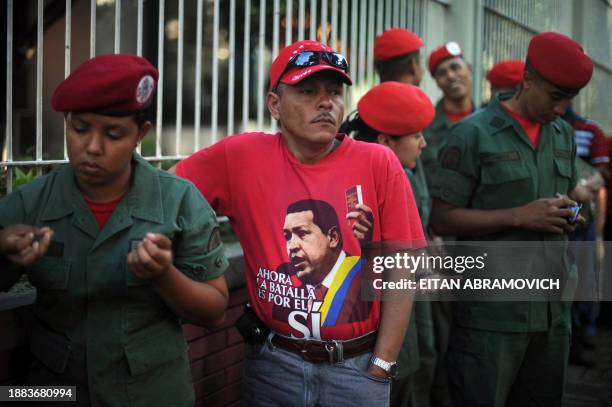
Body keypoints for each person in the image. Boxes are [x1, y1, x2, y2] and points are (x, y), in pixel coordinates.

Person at [170, 39, 426, 406]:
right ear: (274, 104)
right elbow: (163, 193)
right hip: (272, 366)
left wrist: (382, 365)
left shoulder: (378, 162)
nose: (326, 102)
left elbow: (403, 268)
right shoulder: (240, 157)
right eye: (308, 91)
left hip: (356, 369)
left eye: (335, 92)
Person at [0, 54, 229, 406]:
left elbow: (214, 311)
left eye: (113, 133)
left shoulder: (179, 202)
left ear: (141, 134)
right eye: (79, 128)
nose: (92, 147)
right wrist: (3, 254)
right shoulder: (30, 205)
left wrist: (163, 275)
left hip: (154, 394)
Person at [430, 31, 593, 407]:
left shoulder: (562, 135)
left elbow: (571, 201)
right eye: (555, 96)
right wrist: (520, 217)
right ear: (528, 80)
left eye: (569, 98)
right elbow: (442, 217)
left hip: (552, 313)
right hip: (492, 317)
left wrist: (573, 214)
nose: (562, 107)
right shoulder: (472, 134)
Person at [341, 81, 436, 407]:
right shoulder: (385, 177)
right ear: (384, 141)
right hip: (385, 313)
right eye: (415, 135)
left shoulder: (397, 171)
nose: (423, 144)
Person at [273, 199, 372, 334]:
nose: (292, 246)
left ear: (332, 237)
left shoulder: (365, 277)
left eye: (302, 233)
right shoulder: (284, 283)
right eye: (287, 237)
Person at [421, 41, 474, 190]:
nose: (450, 76)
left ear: (469, 69)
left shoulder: (490, 122)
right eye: (442, 73)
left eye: (455, 67)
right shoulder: (425, 128)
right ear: (437, 82)